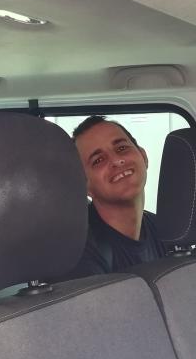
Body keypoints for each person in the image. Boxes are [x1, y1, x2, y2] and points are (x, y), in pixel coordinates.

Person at [62, 115, 166, 278]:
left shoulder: (165, 230)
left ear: (143, 156)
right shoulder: (79, 252)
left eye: (122, 148)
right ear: (85, 185)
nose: (116, 161)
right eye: (98, 160)